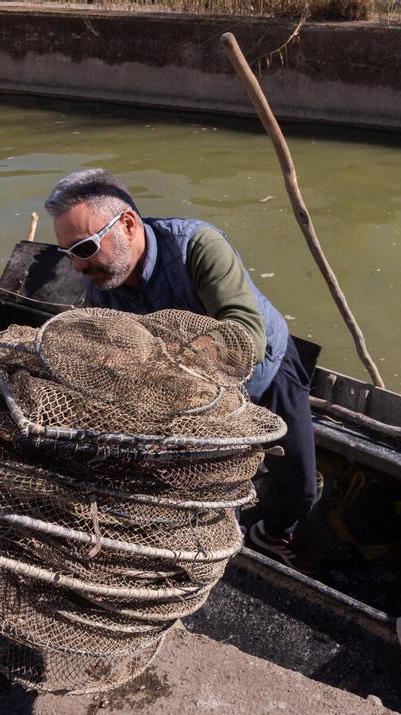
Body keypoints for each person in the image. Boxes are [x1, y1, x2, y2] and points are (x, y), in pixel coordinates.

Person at [45, 169, 318, 571]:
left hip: (266, 373)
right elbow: (94, 348)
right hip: (189, 402)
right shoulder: (100, 284)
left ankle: (272, 532)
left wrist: (152, 359)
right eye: (67, 253)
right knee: (208, 489)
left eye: (84, 247)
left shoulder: (197, 245)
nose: (76, 267)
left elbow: (245, 334)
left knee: (300, 487)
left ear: (128, 224)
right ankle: (223, 547)